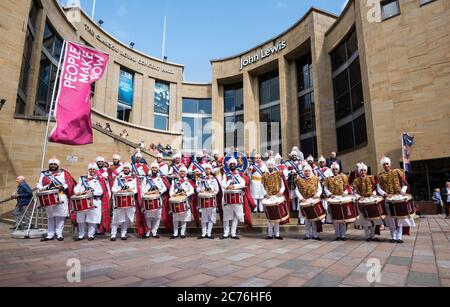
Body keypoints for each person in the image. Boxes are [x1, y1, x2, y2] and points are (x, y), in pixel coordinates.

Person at [377, 157, 415, 244]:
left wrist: (403, 191)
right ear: (382, 166)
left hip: (398, 199)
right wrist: (385, 194)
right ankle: (393, 236)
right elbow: (379, 188)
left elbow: (405, 184)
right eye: (384, 164)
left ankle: (399, 236)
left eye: (387, 164)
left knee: (399, 218)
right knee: (390, 219)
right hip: (388, 199)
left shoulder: (397, 172)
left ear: (390, 164)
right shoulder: (380, 175)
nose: (386, 165)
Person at [37, 157, 76, 242]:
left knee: (60, 216)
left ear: (58, 165)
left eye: (55, 164)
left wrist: (62, 187)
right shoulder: (44, 174)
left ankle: (59, 234)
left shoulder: (64, 173)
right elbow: (38, 184)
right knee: (50, 216)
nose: (53, 165)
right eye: (51, 164)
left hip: (61, 195)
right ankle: (50, 234)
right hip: (49, 197)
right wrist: (43, 188)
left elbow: (70, 183)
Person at [73, 163, 109, 242]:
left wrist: (92, 192)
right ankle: (81, 235)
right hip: (82, 200)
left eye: (93, 169)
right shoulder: (82, 178)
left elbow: (101, 191)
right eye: (90, 169)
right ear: (88, 170)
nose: (92, 170)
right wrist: (77, 192)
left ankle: (90, 235)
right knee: (81, 218)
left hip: (94, 200)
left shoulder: (100, 179)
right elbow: (77, 187)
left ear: (96, 170)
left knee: (92, 219)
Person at [353, 163, 382, 242]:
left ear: (366, 171)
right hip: (362, 202)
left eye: (364, 170)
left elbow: (375, 189)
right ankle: (367, 236)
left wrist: (373, 194)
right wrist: (359, 197)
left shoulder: (371, 178)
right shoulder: (356, 181)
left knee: (374, 219)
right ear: (359, 172)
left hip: (371, 200)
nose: (363, 172)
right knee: (365, 220)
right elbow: (354, 192)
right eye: (361, 170)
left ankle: (372, 236)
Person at [324, 162, 352, 241]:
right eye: (333, 169)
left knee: (343, 218)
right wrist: (330, 194)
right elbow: (325, 188)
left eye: (336, 169)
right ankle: (337, 235)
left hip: (341, 199)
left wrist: (344, 193)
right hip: (333, 199)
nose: (335, 170)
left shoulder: (343, 177)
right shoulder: (328, 179)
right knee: (335, 218)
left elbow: (347, 187)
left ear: (338, 169)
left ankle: (343, 235)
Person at [261, 159, 289, 240]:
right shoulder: (264, 175)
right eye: (269, 166)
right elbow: (261, 185)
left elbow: (283, 185)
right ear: (267, 166)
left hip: (277, 196)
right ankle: (270, 235)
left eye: (272, 165)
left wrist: (281, 192)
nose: (270, 167)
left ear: (274, 166)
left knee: (277, 217)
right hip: (268, 197)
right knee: (270, 218)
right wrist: (265, 194)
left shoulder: (278, 174)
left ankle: (277, 234)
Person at [141, 162, 170, 239]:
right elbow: (142, 188)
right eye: (153, 168)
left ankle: (154, 232)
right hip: (148, 199)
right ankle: (147, 231)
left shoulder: (160, 179)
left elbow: (164, 188)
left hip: (157, 199)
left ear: (157, 169)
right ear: (151, 169)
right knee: (148, 216)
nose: (154, 169)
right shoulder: (146, 178)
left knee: (157, 217)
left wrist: (159, 191)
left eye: (155, 168)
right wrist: (147, 193)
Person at [110, 162, 138, 241]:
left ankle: (123, 233)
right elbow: (113, 189)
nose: (126, 169)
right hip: (119, 201)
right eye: (125, 168)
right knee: (115, 218)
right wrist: (117, 190)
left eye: (127, 168)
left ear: (130, 169)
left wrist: (131, 190)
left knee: (127, 218)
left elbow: (136, 190)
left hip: (129, 201)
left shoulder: (133, 178)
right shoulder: (118, 177)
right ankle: (113, 234)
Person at [295, 164, 323, 241]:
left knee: (314, 219)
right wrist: (301, 198)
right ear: (304, 172)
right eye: (306, 171)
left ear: (311, 171)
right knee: (307, 219)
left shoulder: (315, 179)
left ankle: (315, 235)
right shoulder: (300, 180)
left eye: (308, 171)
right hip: (305, 201)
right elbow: (296, 190)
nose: (307, 172)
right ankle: (307, 235)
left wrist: (317, 195)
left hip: (313, 201)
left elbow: (320, 189)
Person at [221, 158, 247, 240]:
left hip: (236, 197)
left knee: (235, 216)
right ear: (228, 166)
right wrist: (228, 185)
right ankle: (225, 233)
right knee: (226, 216)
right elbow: (223, 184)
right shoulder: (226, 174)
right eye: (231, 164)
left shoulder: (238, 174)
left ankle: (233, 233)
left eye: (233, 164)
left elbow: (243, 183)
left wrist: (234, 186)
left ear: (236, 165)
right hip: (227, 197)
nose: (232, 165)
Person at [169, 166, 195, 239]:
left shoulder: (188, 181)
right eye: (181, 171)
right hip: (176, 200)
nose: (182, 173)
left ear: (185, 173)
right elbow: (171, 190)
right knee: (175, 217)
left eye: (183, 171)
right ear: (179, 173)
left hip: (185, 201)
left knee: (184, 217)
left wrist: (186, 194)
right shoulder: (174, 181)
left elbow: (192, 190)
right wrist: (172, 194)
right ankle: (175, 233)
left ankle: (182, 233)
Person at [196, 164, 220, 240]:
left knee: (211, 218)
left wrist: (212, 193)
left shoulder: (214, 179)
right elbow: (197, 189)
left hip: (211, 200)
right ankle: (203, 234)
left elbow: (217, 190)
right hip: (203, 200)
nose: (207, 170)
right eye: (206, 169)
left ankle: (209, 233)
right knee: (203, 218)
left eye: (208, 169)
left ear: (210, 170)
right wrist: (201, 190)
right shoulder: (202, 179)